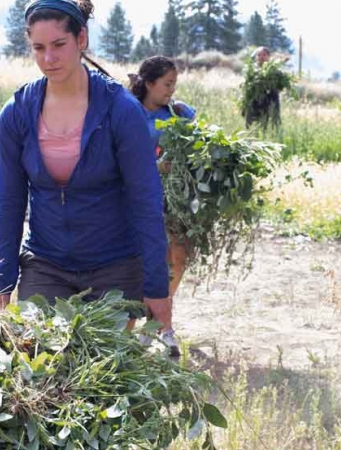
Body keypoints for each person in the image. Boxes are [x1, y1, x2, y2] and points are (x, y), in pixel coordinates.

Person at [0, 0, 171, 333]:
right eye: (38, 48)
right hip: (45, 264)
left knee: (102, 372)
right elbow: (10, 204)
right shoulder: (16, 114)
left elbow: (146, 202)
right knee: (43, 365)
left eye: (59, 45)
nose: (49, 58)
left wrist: (158, 289)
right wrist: (2, 283)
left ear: (81, 39)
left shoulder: (120, 110)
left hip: (114, 267)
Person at [129, 55, 197, 356]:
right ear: (149, 83)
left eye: (174, 85)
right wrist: (155, 166)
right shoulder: (129, 114)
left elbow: (195, 143)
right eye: (167, 84)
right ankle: (137, 327)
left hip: (175, 198)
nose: (171, 90)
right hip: (139, 198)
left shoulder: (178, 113)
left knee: (178, 257)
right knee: (142, 263)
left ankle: (159, 322)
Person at [243, 46, 283, 128]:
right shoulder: (251, 70)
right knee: (251, 125)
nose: (261, 57)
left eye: (264, 55)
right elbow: (246, 85)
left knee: (272, 125)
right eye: (259, 55)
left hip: (271, 101)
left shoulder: (274, 70)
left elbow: (281, 86)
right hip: (254, 102)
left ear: (268, 56)